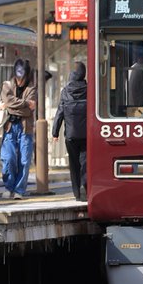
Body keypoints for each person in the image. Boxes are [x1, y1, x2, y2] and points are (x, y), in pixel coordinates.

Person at [0, 58, 37, 199]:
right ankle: (9, 187)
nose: (19, 80)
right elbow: (12, 102)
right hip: (10, 126)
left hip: (25, 128)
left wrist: (10, 106)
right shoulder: (7, 85)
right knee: (8, 158)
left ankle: (19, 190)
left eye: (22, 76)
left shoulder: (32, 89)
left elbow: (28, 110)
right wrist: (25, 104)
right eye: (18, 75)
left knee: (24, 160)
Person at [52, 62, 88, 201]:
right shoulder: (89, 90)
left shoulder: (66, 91)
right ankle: (85, 187)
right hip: (86, 135)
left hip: (71, 135)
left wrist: (55, 132)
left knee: (74, 164)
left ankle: (77, 193)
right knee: (85, 162)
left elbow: (60, 112)